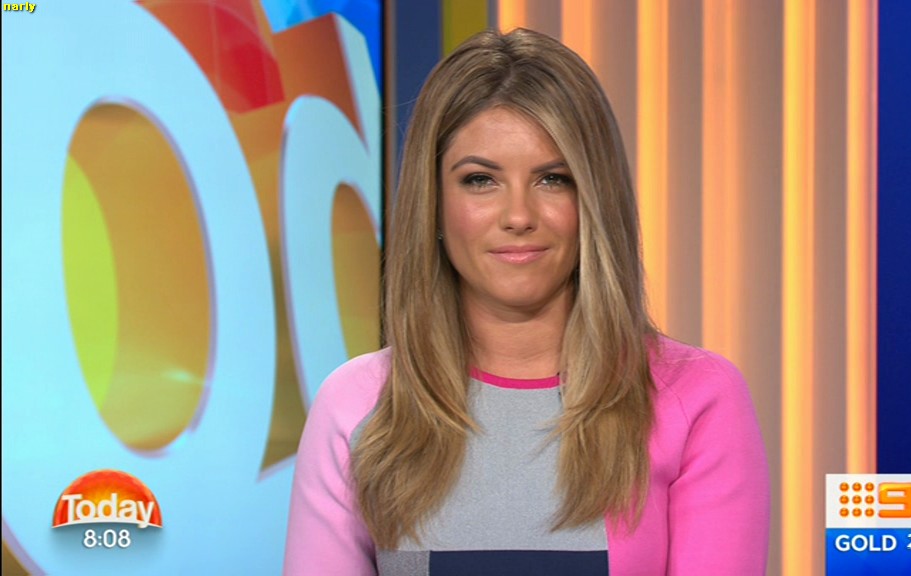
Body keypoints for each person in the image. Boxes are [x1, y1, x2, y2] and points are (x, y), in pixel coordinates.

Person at [284, 28, 769, 575]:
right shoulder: (358, 404)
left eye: (552, 179)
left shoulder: (696, 399)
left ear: (593, 199)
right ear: (433, 202)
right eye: (480, 180)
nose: (518, 216)